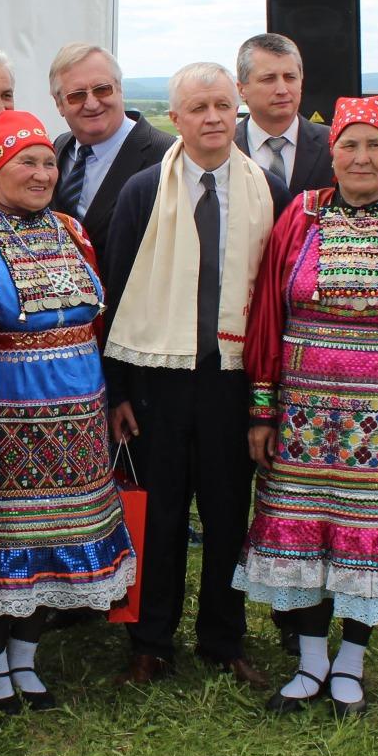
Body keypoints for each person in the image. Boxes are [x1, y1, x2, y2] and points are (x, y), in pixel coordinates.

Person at [236, 96, 378, 717]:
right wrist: (263, 409)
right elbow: (267, 316)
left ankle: (351, 664)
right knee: (298, 531)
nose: (361, 157)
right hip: (303, 414)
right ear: (331, 155)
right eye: (349, 146)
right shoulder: (300, 216)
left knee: (370, 535)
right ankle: (310, 663)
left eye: (374, 145)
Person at [0, 111, 135, 712]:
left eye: (49, 162)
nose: (42, 172)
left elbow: (98, 323)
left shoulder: (73, 233)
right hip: (7, 417)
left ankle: (27, 658)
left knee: (57, 539)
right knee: (4, 542)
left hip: (78, 414)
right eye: (27, 160)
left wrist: (113, 401)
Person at [102, 62, 277, 687]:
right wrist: (116, 390)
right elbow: (117, 290)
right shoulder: (144, 190)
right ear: (174, 118)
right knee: (163, 513)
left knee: (230, 515)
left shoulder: (264, 189)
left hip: (232, 379)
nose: (212, 118)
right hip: (158, 382)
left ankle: (223, 639)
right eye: (197, 108)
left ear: (239, 113)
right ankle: (150, 642)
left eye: (222, 106)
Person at [48, 42, 174, 255]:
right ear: (59, 104)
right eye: (77, 95)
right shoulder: (58, 149)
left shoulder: (167, 156)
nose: (92, 103)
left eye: (102, 89)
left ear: (120, 90)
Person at [233, 33, 332, 195]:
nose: (282, 90)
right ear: (242, 89)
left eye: (290, 77)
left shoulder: (334, 145)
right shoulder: (224, 149)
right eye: (268, 79)